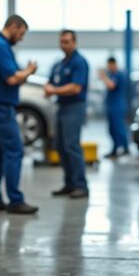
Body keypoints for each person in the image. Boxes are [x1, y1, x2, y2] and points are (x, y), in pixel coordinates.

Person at [0, 15, 39, 215]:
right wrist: (29, 71)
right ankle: (15, 200)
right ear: (13, 27)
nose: (21, 38)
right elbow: (12, 78)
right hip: (1, 108)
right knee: (15, 151)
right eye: (21, 33)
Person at [46, 30, 90, 199]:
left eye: (67, 41)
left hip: (75, 107)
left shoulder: (79, 63)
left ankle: (81, 185)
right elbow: (50, 82)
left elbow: (76, 87)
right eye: (61, 41)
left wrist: (54, 90)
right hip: (62, 107)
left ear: (74, 43)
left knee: (72, 146)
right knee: (61, 146)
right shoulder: (59, 64)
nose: (63, 45)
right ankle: (69, 183)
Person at [98, 57, 129, 159]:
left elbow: (111, 85)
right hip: (112, 106)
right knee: (112, 129)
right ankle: (115, 149)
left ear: (113, 64)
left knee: (119, 128)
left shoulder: (118, 74)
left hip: (117, 106)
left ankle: (125, 148)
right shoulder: (111, 74)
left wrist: (103, 76)